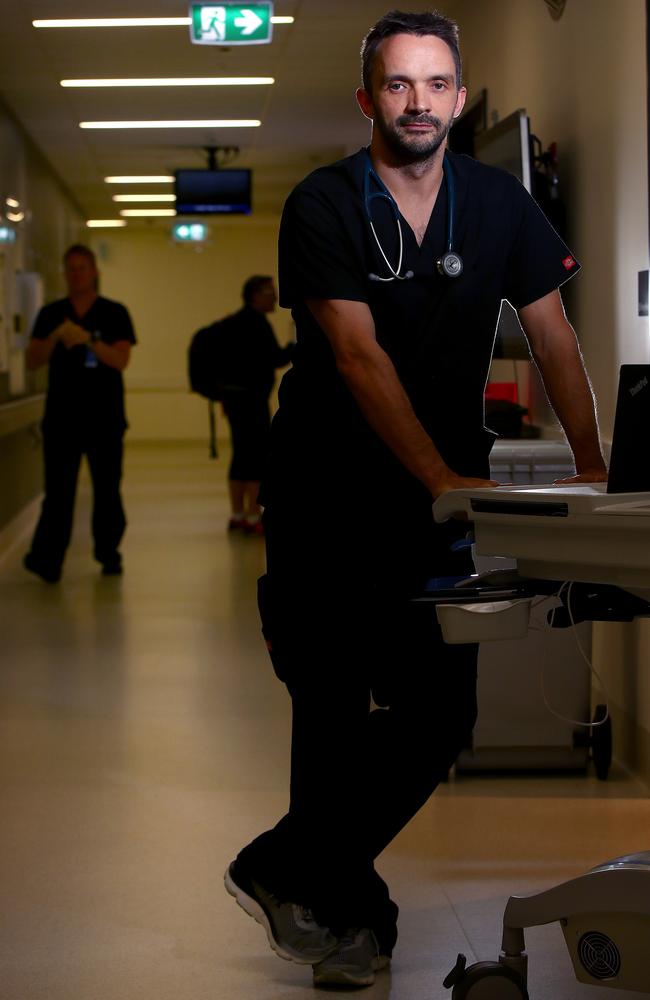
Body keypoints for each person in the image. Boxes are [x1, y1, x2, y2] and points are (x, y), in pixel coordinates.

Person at [224, 9, 608, 990]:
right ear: (367, 98)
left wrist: (594, 464)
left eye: (436, 84)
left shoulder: (497, 203)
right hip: (323, 494)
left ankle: (286, 866)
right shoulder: (321, 204)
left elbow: (552, 334)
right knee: (330, 706)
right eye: (398, 84)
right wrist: (438, 473)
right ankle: (345, 932)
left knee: (439, 714)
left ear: (458, 96)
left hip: (433, 509)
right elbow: (352, 353)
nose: (418, 102)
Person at [23, 244, 136, 582]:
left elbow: (121, 360)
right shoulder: (50, 314)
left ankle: (108, 553)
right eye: (70, 268)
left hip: (105, 418)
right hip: (61, 419)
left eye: (82, 268)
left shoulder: (115, 313)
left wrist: (88, 340)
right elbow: (32, 360)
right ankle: (48, 560)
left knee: (107, 490)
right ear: (64, 273)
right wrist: (57, 336)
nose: (76, 274)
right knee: (58, 493)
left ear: (94, 271)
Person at [218, 276, 293, 535]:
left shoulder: (233, 322)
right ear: (254, 296)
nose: (274, 296)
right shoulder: (257, 324)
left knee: (240, 455)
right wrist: (295, 348)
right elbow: (274, 359)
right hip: (252, 401)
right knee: (256, 456)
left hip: (234, 399)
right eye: (269, 292)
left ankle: (237, 513)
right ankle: (252, 515)